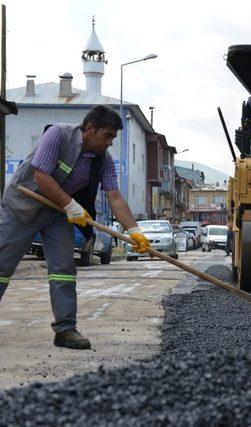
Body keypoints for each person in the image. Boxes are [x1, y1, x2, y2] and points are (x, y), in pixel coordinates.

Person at [0, 106, 150, 350]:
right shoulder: (58, 135)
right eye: (107, 136)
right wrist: (71, 205)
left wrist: (134, 230)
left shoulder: (103, 160)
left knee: (63, 270)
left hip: (58, 214)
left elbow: (114, 196)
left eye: (113, 137)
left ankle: (65, 330)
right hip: (23, 208)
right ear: (90, 129)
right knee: (2, 266)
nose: (110, 143)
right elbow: (41, 177)